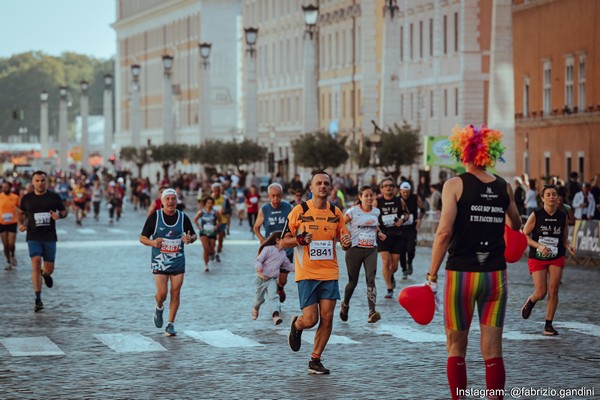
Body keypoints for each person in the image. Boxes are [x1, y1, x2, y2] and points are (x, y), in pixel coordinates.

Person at [426, 125, 521, 400]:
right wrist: (494, 214)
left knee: (456, 346)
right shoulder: (505, 186)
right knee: (493, 350)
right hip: (495, 276)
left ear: (462, 152)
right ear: (489, 153)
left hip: (461, 275)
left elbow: (444, 233)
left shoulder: (454, 185)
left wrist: (432, 273)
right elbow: (515, 223)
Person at [281, 170, 352, 375]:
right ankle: (297, 324)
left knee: (328, 318)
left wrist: (346, 243)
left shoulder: (336, 212)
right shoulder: (298, 211)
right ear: (310, 188)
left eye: (326, 183)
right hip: (307, 273)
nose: (323, 186)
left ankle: (315, 359)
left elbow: (344, 240)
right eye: (318, 183)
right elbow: (283, 241)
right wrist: (300, 239)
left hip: (329, 273)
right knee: (311, 319)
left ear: (330, 188)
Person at [139, 188, 197, 336]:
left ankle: (170, 324)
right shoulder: (155, 217)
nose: (171, 202)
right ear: (162, 202)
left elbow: (194, 235)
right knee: (162, 293)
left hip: (178, 260)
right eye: (168, 199)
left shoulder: (183, 217)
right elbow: (142, 238)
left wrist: (190, 239)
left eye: (173, 199)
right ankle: (159, 307)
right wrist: (152, 243)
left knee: (176, 292)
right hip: (160, 261)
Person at [521, 184, 575, 336]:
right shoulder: (536, 215)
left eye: (554, 194)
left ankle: (548, 325)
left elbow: (564, 238)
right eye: (548, 194)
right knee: (541, 292)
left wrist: (569, 246)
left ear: (558, 199)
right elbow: (524, 235)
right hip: (538, 256)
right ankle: (531, 301)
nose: (552, 197)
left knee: (554, 289)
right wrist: (538, 246)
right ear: (542, 198)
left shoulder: (563, 216)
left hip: (556, 255)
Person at [18, 171, 68, 312]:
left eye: (43, 180)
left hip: (49, 237)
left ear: (46, 182)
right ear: (33, 182)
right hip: (33, 236)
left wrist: (59, 215)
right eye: (37, 180)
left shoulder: (53, 197)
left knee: (49, 269)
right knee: (35, 262)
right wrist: (20, 224)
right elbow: (20, 213)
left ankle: (45, 274)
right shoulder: (27, 198)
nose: (40, 183)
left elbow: (64, 211)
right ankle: (38, 299)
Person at [340, 185, 384, 323]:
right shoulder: (353, 211)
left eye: (372, 195)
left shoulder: (376, 212)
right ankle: (345, 305)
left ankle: (372, 311)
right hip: (354, 250)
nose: (370, 198)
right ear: (360, 197)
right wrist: (345, 236)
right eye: (366, 195)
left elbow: (374, 225)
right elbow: (340, 224)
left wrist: (379, 232)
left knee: (371, 279)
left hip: (371, 249)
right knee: (353, 282)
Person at [253, 183, 294, 302]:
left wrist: (291, 236)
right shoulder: (264, 209)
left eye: (278, 196)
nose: (276, 199)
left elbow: (295, 226)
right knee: (270, 276)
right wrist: (261, 239)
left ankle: (280, 288)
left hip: (286, 249)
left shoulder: (289, 208)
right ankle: (274, 300)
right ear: (269, 196)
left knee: (282, 279)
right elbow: (256, 227)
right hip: (271, 250)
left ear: (282, 195)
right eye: (273, 196)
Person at [253, 231, 295, 325]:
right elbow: (259, 260)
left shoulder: (283, 253)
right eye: (285, 240)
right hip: (261, 279)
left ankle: (275, 316)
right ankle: (256, 308)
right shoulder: (268, 249)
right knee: (258, 300)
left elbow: (287, 265)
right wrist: (259, 267)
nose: (288, 242)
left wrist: (299, 269)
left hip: (272, 279)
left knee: (273, 297)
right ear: (277, 240)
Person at [373, 177, 405, 299]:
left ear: (394, 188)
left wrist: (402, 220)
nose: (388, 188)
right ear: (381, 189)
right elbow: (371, 215)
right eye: (385, 186)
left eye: (391, 185)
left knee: (394, 266)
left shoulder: (399, 201)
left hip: (397, 236)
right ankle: (389, 289)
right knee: (385, 262)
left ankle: (391, 276)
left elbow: (406, 214)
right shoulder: (377, 202)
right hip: (383, 235)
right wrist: (376, 224)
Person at [398, 181, 425, 279]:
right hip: (399, 229)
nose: (405, 194)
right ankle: (404, 270)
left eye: (407, 192)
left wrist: (419, 219)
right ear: (400, 191)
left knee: (410, 249)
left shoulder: (415, 198)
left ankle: (409, 263)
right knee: (401, 251)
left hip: (411, 228)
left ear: (410, 191)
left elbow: (422, 209)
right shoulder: (397, 199)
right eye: (403, 192)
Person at [193, 196, 221, 272]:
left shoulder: (215, 212)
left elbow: (220, 221)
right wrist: (199, 226)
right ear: (205, 204)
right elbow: (195, 219)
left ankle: (213, 253)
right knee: (206, 248)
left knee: (211, 248)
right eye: (208, 203)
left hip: (212, 232)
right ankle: (206, 265)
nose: (210, 204)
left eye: (211, 203)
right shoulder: (202, 212)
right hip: (203, 232)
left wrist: (216, 226)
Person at [0, 181, 20, 269]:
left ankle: (13, 255)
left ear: (10, 187)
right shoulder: (0, 197)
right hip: (2, 223)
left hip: (12, 222)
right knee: (5, 245)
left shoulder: (15, 197)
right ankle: (8, 261)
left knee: (11, 244)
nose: (4, 188)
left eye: (6, 187)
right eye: (3, 187)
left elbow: (20, 209)